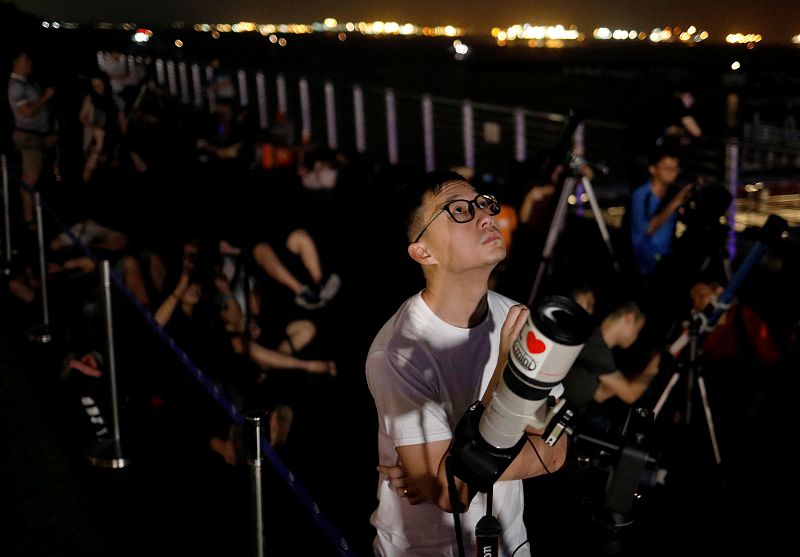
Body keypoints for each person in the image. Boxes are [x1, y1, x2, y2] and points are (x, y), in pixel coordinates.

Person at [365, 170, 567, 556]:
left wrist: (453, 467)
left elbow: (556, 451)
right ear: (423, 251)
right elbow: (452, 494)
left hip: (509, 545)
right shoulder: (398, 353)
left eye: (483, 204)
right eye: (458, 210)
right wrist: (505, 372)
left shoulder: (518, 319)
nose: (487, 216)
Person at [561, 300, 661, 434]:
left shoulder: (598, 345)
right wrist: (653, 368)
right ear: (629, 318)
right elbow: (630, 394)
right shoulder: (596, 346)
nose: (636, 336)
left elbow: (600, 394)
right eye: (638, 329)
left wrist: (631, 379)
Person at [7, 49, 57, 227]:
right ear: (16, 62)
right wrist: (45, 97)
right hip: (30, 139)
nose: (30, 64)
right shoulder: (16, 86)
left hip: (40, 136)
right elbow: (26, 112)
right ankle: (29, 219)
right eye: (26, 60)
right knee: (30, 178)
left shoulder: (28, 83)